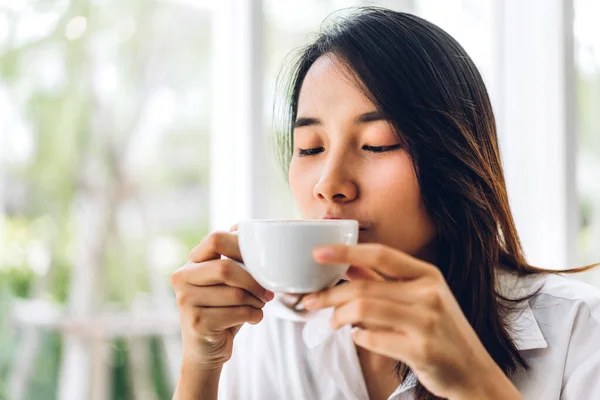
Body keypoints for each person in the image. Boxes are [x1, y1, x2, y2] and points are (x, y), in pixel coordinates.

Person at [170, 7, 600, 400]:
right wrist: (200, 368)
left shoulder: (579, 330)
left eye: (378, 144)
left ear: (455, 161)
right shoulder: (267, 333)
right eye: (310, 147)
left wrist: (477, 383)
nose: (329, 184)